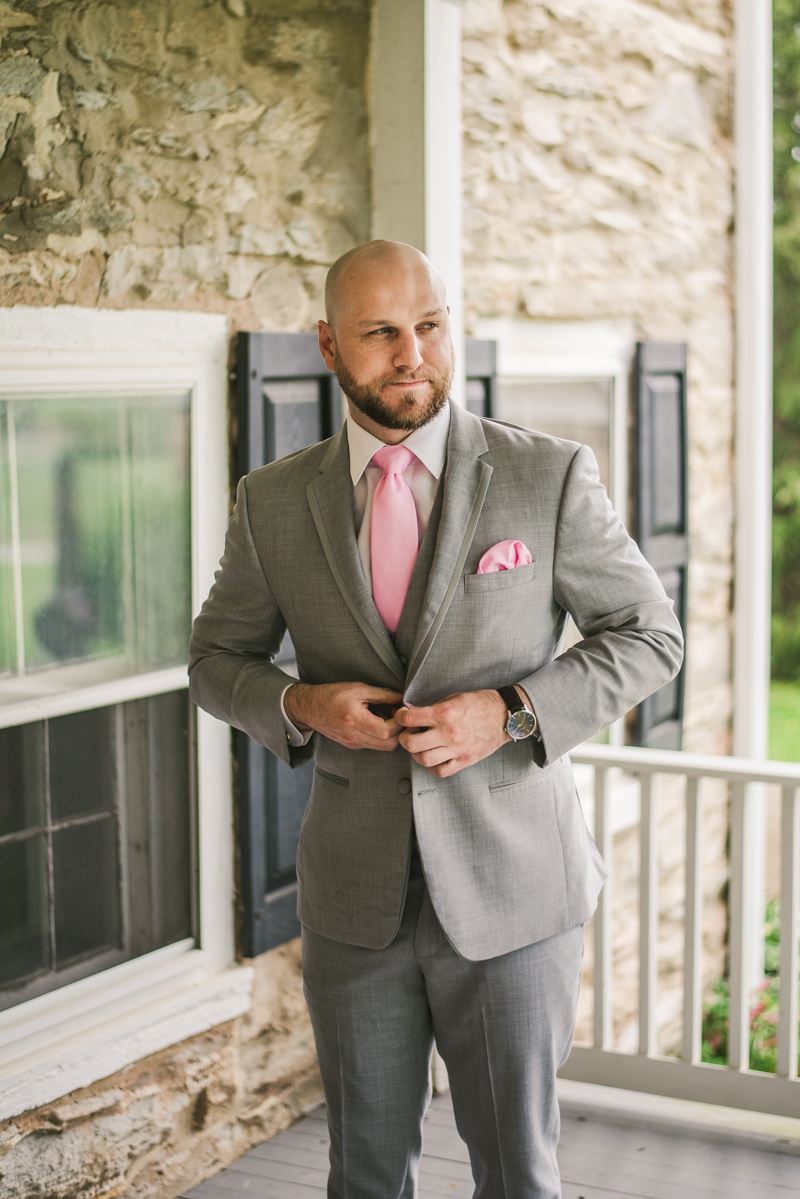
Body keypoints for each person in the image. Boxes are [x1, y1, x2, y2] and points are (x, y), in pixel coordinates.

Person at [189, 240, 683, 1199]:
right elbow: (215, 663)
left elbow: (648, 635)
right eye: (380, 333)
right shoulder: (273, 501)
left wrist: (511, 712)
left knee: (517, 1176)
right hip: (355, 903)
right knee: (365, 1175)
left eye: (429, 324)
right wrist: (300, 703)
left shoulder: (548, 475)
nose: (411, 352)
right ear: (331, 346)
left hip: (515, 893)